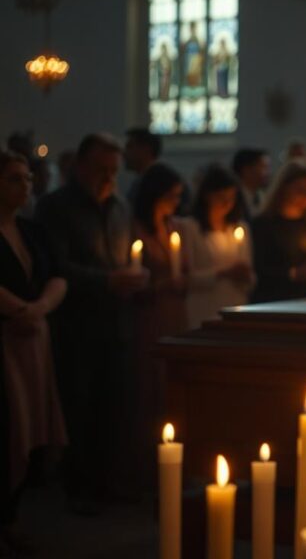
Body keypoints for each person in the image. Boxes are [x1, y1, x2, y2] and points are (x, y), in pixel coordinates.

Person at [34, 134, 146, 515]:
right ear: (80, 166)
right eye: (101, 169)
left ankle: (109, 482)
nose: (108, 177)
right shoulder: (55, 207)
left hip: (117, 323)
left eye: (114, 170)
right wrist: (107, 281)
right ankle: (78, 489)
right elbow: (55, 265)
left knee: (114, 406)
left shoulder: (120, 207)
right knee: (78, 406)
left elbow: (125, 255)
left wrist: (133, 276)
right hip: (77, 325)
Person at [0, 151, 67, 553]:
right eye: (13, 179)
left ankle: (12, 512)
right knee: (9, 423)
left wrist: (40, 307)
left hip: (34, 337)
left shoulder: (32, 229)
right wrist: (18, 309)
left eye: (27, 179)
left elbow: (57, 274)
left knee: (29, 426)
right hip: (6, 337)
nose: (24, 186)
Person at [129, 164, 189, 493]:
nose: (176, 203)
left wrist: (182, 280)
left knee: (171, 391)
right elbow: (136, 279)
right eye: (171, 196)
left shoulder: (175, 226)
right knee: (147, 391)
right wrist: (164, 283)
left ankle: (173, 466)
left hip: (175, 314)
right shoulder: (137, 229)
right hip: (150, 316)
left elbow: (188, 270)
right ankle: (144, 470)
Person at [251, 162, 306, 302]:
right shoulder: (264, 224)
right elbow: (259, 271)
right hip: (277, 302)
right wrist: (294, 274)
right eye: (300, 190)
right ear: (283, 188)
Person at [181, 165, 252, 328]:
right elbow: (188, 278)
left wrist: (246, 276)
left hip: (236, 307)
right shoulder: (191, 228)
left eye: (231, 198)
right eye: (221, 197)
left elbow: (250, 277)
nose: (227, 203)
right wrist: (224, 273)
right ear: (207, 196)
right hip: (203, 309)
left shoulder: (239, 228)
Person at [121, 127, 161, 204]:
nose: (124, 153)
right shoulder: (140, 181)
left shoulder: (157, 184)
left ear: (146, 150)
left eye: (129, 147)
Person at [232, 148, 271, 222]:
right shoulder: (232, 199)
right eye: (263, 167)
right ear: (246, 170)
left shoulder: (263, 197)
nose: (268, 173)